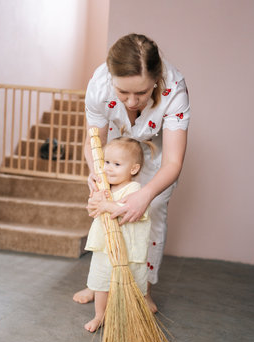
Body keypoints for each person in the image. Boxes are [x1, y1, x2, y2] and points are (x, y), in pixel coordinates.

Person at [73, 33, 190, 312]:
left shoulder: (175, 88)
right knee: (106, 209)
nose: (132, 101)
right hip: (115, 146)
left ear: (157, 81)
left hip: (155, 153)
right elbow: (93, 141)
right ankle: (99, 283)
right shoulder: (99, 86)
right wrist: (96, 172)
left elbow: (173, 162)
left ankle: (143, 288)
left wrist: (146, 195)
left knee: (154, 211)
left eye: (142, 92)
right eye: (123, 92)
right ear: (112, 79)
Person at [84, 137, 152, 332]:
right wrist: (95, 204)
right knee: (101, 283)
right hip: (105, 248)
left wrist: (108, 205)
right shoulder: (104, 189)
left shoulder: (134, 189)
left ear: (133, 169)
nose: (109, 168)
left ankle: (133, 314)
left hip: (128, 250)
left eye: (116, 164)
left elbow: (130, 211)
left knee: (132, 283)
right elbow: (95, 211)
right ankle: (99, 315)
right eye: (106, 162)